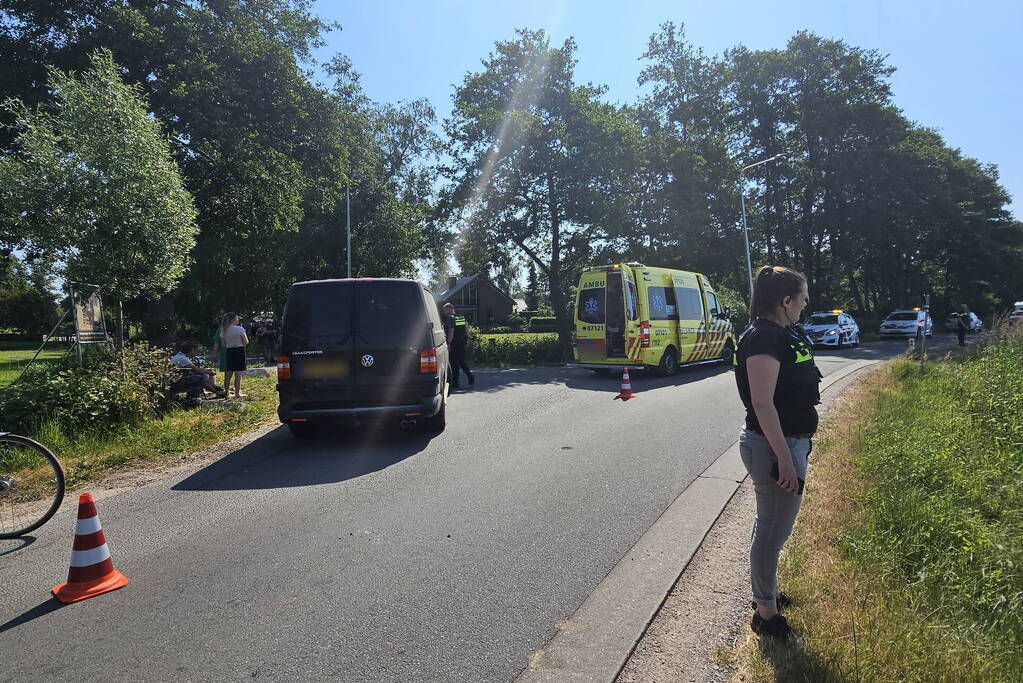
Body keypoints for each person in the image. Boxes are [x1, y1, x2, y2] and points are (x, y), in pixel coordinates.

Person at [734, 265, 822, 641]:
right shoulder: (764, 339)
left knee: (768, 525)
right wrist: (784, 457)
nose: (806, 304)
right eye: (802, 298)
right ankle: (766, 615)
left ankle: (764, 593)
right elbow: (761, 403)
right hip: (774, 447)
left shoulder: (784, 332)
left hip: (788, 442)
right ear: (785, 301)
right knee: (772, 532)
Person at [442, 302, 474, 389]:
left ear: (449, 309)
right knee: (461, 361)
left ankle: (455, 383)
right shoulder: (461, 317)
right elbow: (466, 329)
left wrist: (448, 343)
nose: (444, 312)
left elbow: (451, 331)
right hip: (462, 342)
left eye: (445, 310)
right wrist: (469, 337)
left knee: (454, 364)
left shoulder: (450, 318)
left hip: (454, 343)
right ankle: (469, 375)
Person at [220, 312, 249, 399]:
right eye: (237, 318)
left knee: (228, 374)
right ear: (233, 320)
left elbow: (224, 344)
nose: (238, 319)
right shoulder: (240, 329)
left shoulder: (224, 330)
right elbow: (246, 341)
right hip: (239, 351)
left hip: (229, 351)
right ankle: (237, 394)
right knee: (238, 374)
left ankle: (227, 393)